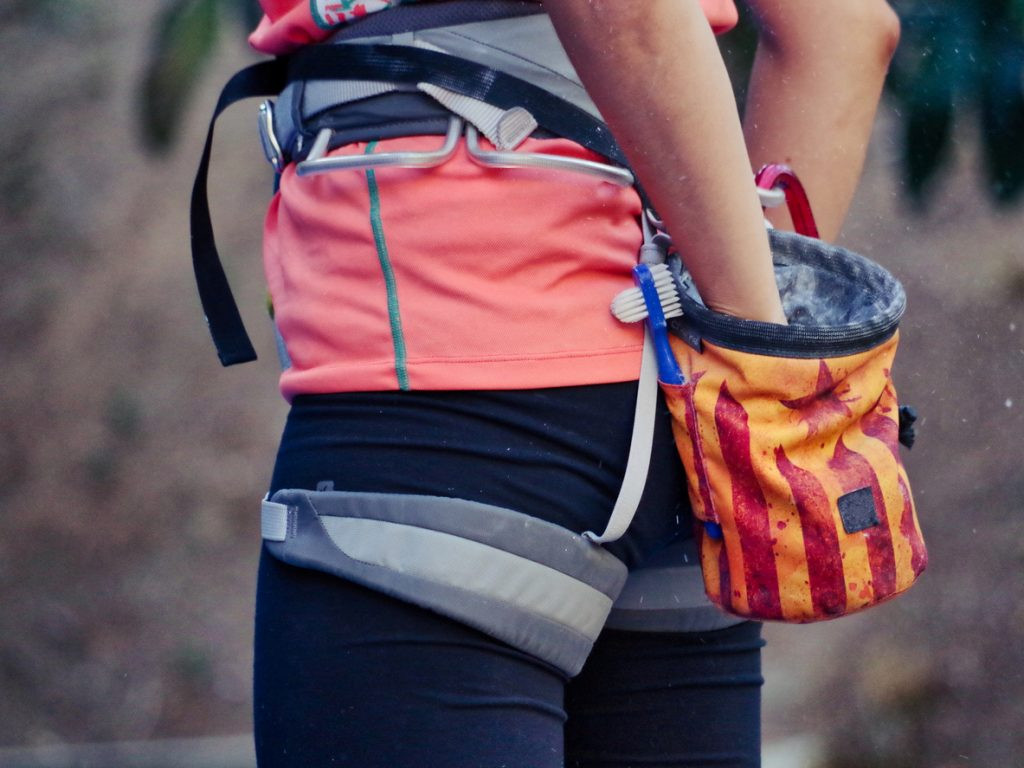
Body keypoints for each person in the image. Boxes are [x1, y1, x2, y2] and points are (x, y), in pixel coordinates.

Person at [244, 1, 900, 765]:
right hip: (685, 426)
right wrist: (745, 369)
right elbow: (846, 32)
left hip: (449, 390)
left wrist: (752, 334)